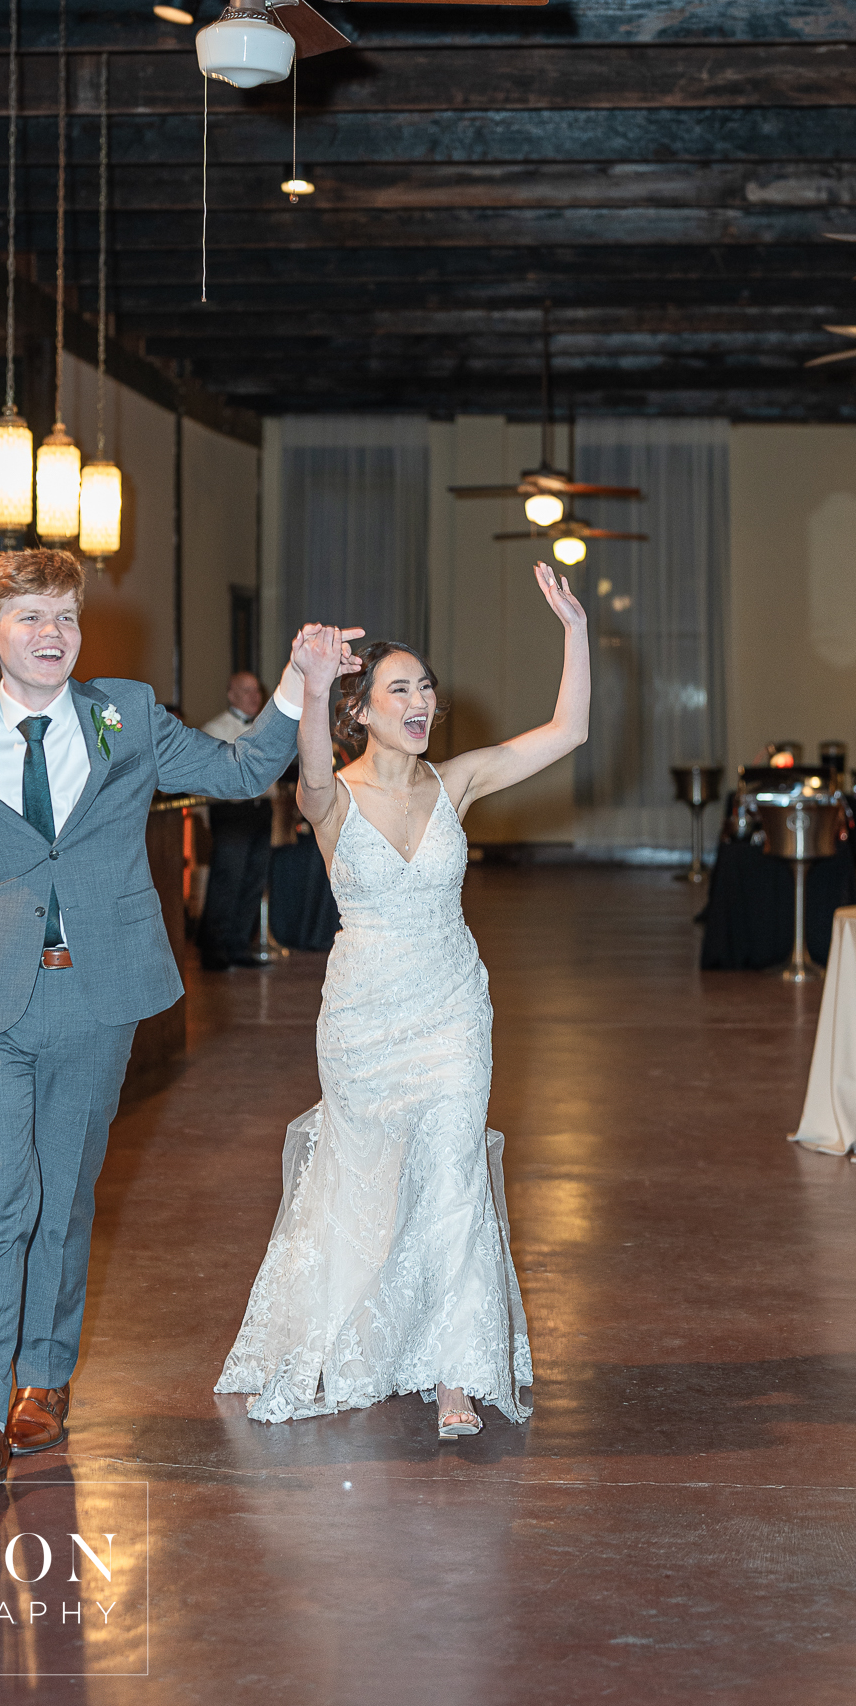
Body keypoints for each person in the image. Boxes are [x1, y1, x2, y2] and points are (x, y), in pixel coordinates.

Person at [0, 547, 361, 1497]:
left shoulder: (127, 715)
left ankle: (44, 1377)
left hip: (97, 994)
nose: (52, 633)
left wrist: (297, 681)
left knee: (62, 1196)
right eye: (30, 618)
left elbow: (241, 771)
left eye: (65, 617)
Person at [216, 559, 589, 1442]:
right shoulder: (330, 798)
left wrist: (574, 630)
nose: (421, 702)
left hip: (454, 1005)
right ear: (362, 710)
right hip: (363, 1018)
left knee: (455, 1172)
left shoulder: (455, 783)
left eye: (426, 688)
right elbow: (309, 765)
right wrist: (312, 683)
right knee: (368, 1185)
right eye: (400, 689)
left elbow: (568, 731)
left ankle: (456, 1369)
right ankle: (354, 1338)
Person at [197, 670, 285, 971]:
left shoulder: (263, 727)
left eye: (257, 690)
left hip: (261, 809)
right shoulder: (214, 729)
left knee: (253, 880)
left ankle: (238, 946)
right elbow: (206, 777)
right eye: (246, 691)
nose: (254, 696)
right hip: (232, 812)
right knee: (228, 880)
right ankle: (214, 949)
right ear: (231, 694)